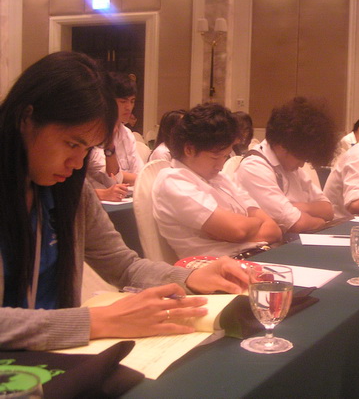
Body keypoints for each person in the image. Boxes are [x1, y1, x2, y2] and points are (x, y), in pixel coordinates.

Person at [0, 52, 248, 351]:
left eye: (87, 149)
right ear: (26, 120)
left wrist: (192, 277)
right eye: (72, 143)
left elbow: (124, 266)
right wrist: (95, 322)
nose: (77, 164)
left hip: (57, 355)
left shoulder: (71, 192)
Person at [152, 104, 281, 258]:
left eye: (225, 156)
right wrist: (252, 223)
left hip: (256, 254)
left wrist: (238, 230)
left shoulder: (219, 178)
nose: (220, 166)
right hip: (220, 264)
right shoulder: (174, 181)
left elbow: (274, 230)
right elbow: (238, 230)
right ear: (189, 149)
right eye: (215, 157)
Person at [235, 97, 337, 233]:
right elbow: (298, 224)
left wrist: (299, 207)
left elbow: (328, 210)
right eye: (300, 158)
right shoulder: (254, 167)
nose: (302, 165)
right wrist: (319, 221)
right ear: (282, 146)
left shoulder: (290, 167)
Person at [86, 72, 144, 191]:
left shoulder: (127, 133)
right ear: (108, 103)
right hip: (100, 199)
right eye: (123, 101)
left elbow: (140, 171)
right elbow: (110, 179)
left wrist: (144, 177)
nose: (129, 107)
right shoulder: (95, 133)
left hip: (127, 196)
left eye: (132, 101)